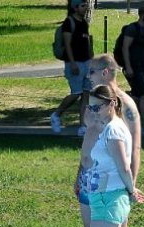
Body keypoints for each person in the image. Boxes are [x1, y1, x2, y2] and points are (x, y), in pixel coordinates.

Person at [83, 84, 144, 227]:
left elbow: (124, 166)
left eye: (97, 108)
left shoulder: (113, 130)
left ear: (111, 104)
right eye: (90, 108)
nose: (93, 112)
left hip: (109, 196)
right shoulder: (109, 127)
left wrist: (131, 190)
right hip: (106, 195)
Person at [50, 0, 93, 136]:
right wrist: (72, 63)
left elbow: (86, 42)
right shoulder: (69, 23)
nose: (85, 7)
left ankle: (83, 125)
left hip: (86, 62)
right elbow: (68, 44)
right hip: (74, 63)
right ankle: (56, 114)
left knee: (86, 94)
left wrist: (92, 59)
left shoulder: (84, 23)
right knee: (76, 93)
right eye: (82, 5)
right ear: (75, 8)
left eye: (86, 5)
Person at [75, 103, 105, 227]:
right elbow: (84, 159)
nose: (89, 111)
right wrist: (77, 178)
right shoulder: (89, 131)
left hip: (105, 188)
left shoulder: (111, 130)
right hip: (87, 184)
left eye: (94, 107)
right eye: (88, 107)